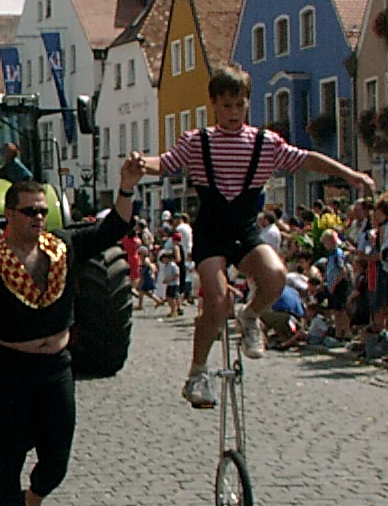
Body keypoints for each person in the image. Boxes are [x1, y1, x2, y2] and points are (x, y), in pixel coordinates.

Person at [131, 63, 374, 408]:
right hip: (212, 230)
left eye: (239, 104)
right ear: (214, 104)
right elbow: (165, 163)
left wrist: (349, 173)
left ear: (248, 104)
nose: (233, 113)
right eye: (226, 105)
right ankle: (197, 373)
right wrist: (143, 163)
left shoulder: (265, 142)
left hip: (244, 230)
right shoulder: (198, 142)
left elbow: (307, 160)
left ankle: (249, 317)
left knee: (275, 276)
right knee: (215, 301)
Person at [0, 159, 143, 506]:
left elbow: (113, 231)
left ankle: (33, 502)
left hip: (56, 366)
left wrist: (126, 188)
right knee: (11, 456)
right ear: (9, 215)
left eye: (42, 210)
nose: (39, 218)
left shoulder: (63, 248)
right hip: (8, 367)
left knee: (57, 459)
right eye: (30, 211)